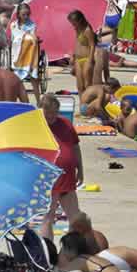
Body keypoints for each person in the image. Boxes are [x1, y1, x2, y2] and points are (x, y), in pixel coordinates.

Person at [39, 94, 84, 242]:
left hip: (67, 177)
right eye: (49, 113)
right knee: (48, 217)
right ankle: (48, 253)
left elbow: (75, 147)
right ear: (41, 111)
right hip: (48, 178)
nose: (52, 116)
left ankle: (73, 250)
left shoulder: (65, 123)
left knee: (75, 216)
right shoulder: (36, 127)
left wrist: (80, 169)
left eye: (55, 112)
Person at [9, 3, 41, 103]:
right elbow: (13, 38)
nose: (26, 17)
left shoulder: (32, 25)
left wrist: (31, 37)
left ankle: (38, 101)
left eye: (27, 14)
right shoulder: (13, 25)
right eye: (23, 15)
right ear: (18, 14)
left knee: (29, 41)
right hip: (16, 52)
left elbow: (33, 37)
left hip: (29, 51)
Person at [68, 10, 96, 100]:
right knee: (80, 86)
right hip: (78, 59)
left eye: (74, 23)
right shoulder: (77, 29)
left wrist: (91, 61)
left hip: (87, 58)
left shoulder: (87, 30)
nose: (73, 25)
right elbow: (77, 43)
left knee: (87, 85)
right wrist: (73, 55)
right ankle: (82, 105)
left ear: (80, 20)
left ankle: (88, 104)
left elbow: (92, 45)